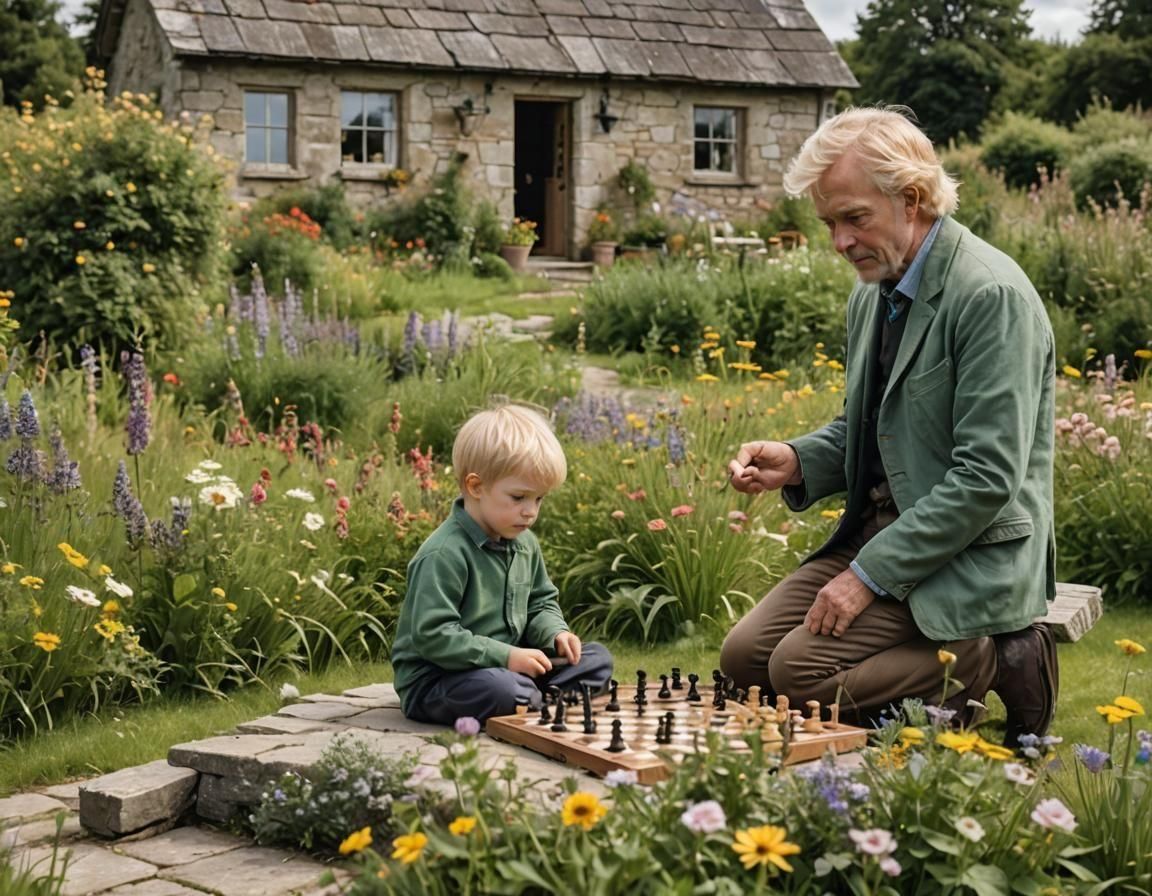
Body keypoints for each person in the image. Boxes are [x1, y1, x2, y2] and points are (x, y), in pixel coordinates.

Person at [720, 106, 1058, 746]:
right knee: (744, 660)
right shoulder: (872, 290)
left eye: (854, 218)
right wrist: (795, 459)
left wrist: (866, 578)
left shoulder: (990, 297)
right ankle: (940, 674)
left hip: (967, 552)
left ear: (912, 198)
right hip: (883, 532)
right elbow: (868, 428)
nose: (840, 242)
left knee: (797, 673)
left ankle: (991, 655)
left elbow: (986, 479)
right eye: (829, 223)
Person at [392, 404, 613, 726]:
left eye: (539, 499)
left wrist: (556, 633)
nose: (530, 512)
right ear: (476, 486)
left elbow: (541, 603)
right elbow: (434, 636)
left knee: (597, 660)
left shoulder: (525, 544)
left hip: (510, 665)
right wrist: (506, 657)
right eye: (519, 497)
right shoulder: (444, 554)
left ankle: (533, 700)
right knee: (503, 689)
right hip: (440, 680)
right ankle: (530, 698)